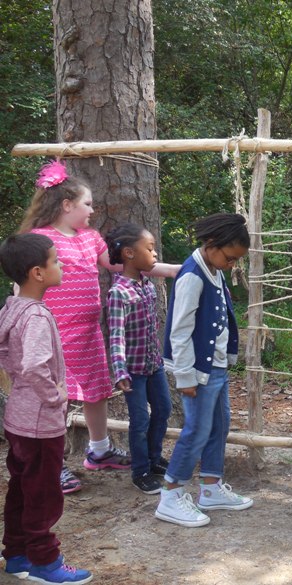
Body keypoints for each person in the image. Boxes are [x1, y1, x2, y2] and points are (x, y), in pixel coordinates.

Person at [19, 160, 179, 494]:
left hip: (90, 332)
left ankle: (100, 449)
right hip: (55, 334)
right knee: (55, 399)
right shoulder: (39, 239)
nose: (93, 210)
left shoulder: (90, 239)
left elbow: (130, 263)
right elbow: (25, 284)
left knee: (96, 393)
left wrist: (181, 269)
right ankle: (55, 463)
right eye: (87, 204)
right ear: (66, 205)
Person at [0, 233, 93, 584]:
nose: (62, 265)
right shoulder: (36, 315)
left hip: (19, 418)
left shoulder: (13, 307)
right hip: (40, 422)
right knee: (44, 494)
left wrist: (24, 386)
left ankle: (17, 554)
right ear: (38, 273)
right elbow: (35, 367)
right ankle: (44, 561)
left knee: (23, 489)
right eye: (56, 261)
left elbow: (8, 356)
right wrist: (56, 398)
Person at [155, 213, 254, 527]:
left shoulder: (214, 268)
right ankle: (170, 495)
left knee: (219, 425)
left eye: (237, 260)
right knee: (196, 431)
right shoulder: (192, 276)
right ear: (212, 244)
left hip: (217, 367)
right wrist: (185, 377)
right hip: (198, 373)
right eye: (230, 257)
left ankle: (210, 488)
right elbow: (179, 331)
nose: (233, 265)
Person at [105, 223, 172, 496]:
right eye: (150, 249)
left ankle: (154, 459)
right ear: (130, 254)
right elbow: (116, 335)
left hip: (154, 366)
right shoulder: (118, 293)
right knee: (140, 421)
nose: (154, 254)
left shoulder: (149, 287)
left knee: (164, 410)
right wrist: (120, 371)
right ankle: (140, 471)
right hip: (132, 371)